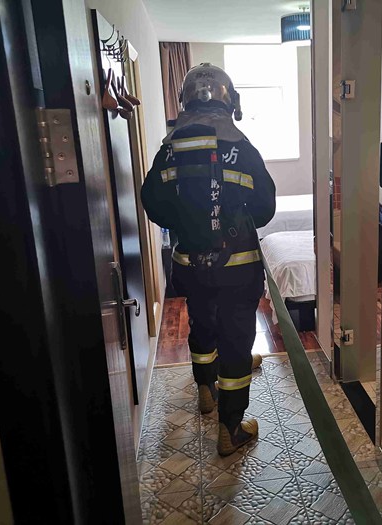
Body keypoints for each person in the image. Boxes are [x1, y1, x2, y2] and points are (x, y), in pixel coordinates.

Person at [141, 63, 276, 456]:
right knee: (236, 340)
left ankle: (205, 386)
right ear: (230, 100)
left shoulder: (169, 148)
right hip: (238, 268)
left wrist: (184, 222)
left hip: (190, 265)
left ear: (185, 101)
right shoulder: (241, 146)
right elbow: (265, 207)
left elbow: (152, 202)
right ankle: (231, 427)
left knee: (202, 322)